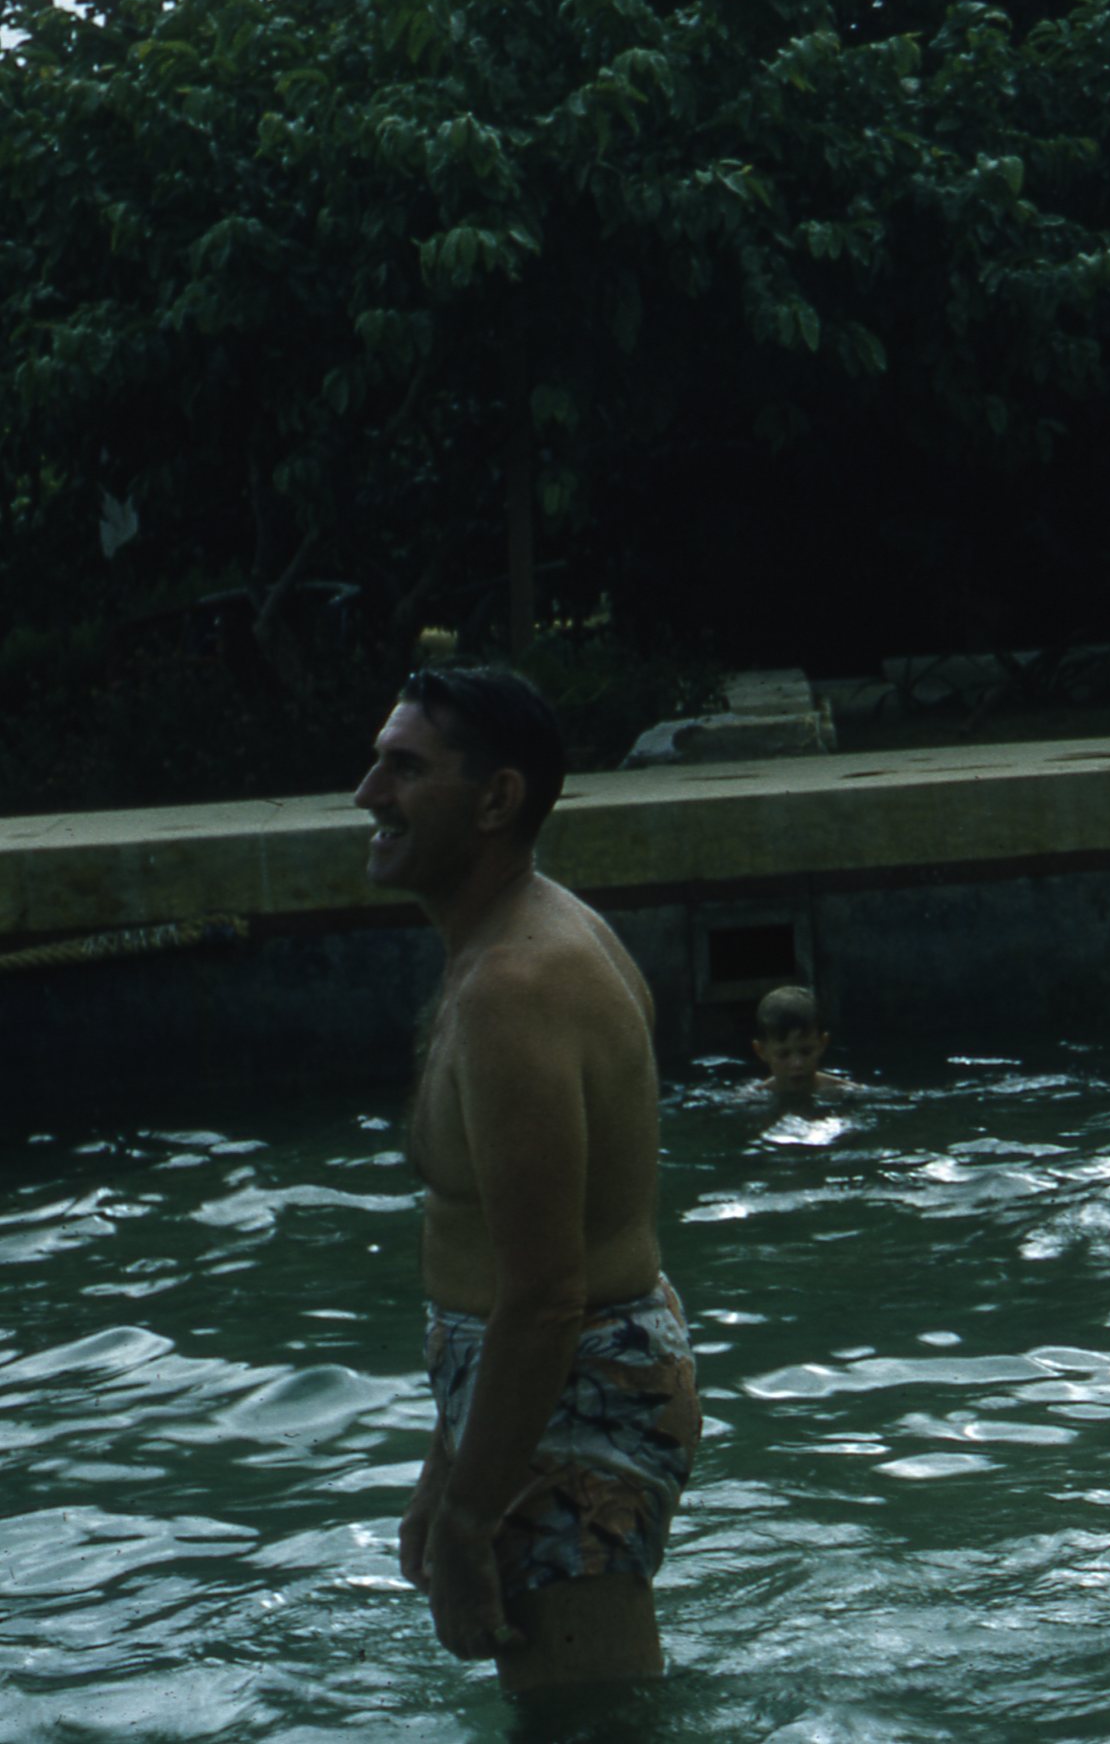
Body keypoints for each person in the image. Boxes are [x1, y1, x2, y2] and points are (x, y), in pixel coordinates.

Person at [354, 666, 700, 1695]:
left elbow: (547, 1294)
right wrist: (448, 1461)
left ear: (496, 799)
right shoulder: (503, 947)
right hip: (536, 1387)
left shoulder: (517, 985)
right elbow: (503, 1269)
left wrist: (470, 1519)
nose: (368, 794)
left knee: (589, 1725)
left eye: (404, 768)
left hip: (574, 1393)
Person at [748, 984, 856, 1097]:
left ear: (823, 1044)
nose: (797, 1064)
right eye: (783, 1054)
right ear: (761, 1051)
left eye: (806, 1052)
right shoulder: (752, 1098)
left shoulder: (848, 1092)